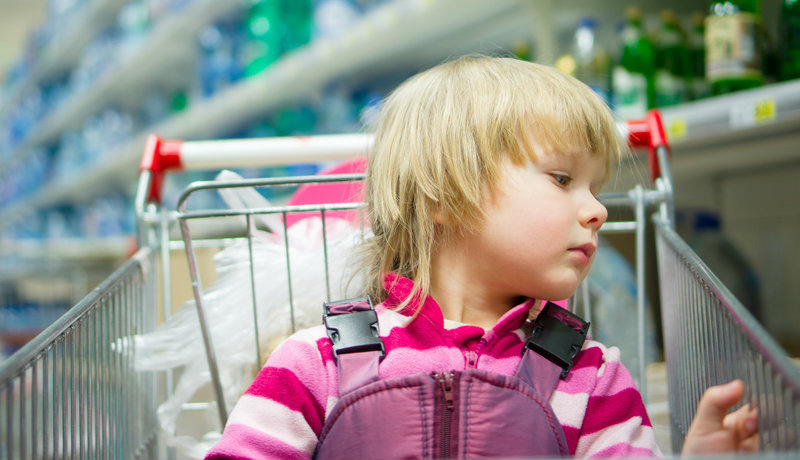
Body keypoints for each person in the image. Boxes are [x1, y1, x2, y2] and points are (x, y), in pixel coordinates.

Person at [204, 55, 758, 459]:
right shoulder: (318, 363)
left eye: (595, 188)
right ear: (444, 195)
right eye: (563, 178)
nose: (596, 211)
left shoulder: (590, 378)